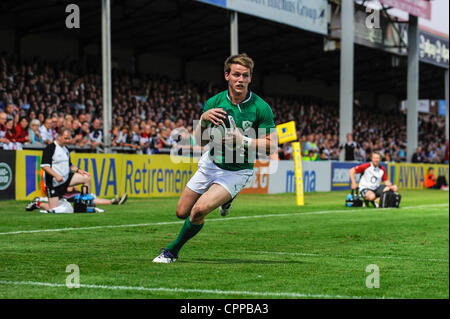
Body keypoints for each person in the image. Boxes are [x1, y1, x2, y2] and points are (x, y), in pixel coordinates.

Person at [152, 53, 277, 263]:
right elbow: (200, 141)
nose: (241, 80)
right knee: (182, 212)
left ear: (250, 79)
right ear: (227, 75)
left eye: (245, 76)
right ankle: (228, 199)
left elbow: (271, 145)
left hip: (237, 171)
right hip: (211, 163)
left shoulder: (261, 107)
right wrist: (202, 120)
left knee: (198, 210)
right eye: (236, 75)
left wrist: (242, 140)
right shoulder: (214, 102)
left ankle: (171, 252)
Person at [40, 129, 92, 210]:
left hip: (66, 179)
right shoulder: (50, 148)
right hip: (53, 182)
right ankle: (37, 204)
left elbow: (69, 165)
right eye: (65, 138)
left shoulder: (65, 149)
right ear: (59, 137)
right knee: (54, 209)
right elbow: (45, 166)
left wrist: (79, 170)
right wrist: (56, 176)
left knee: (86, 177)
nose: (67, 141)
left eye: (68, 138)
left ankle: (86, 203)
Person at [26, 186, 128, 212]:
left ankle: (37, 203)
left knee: (90, 198)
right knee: (56, 208)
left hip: (67, 195)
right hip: (64, 195)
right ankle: (113, 201)